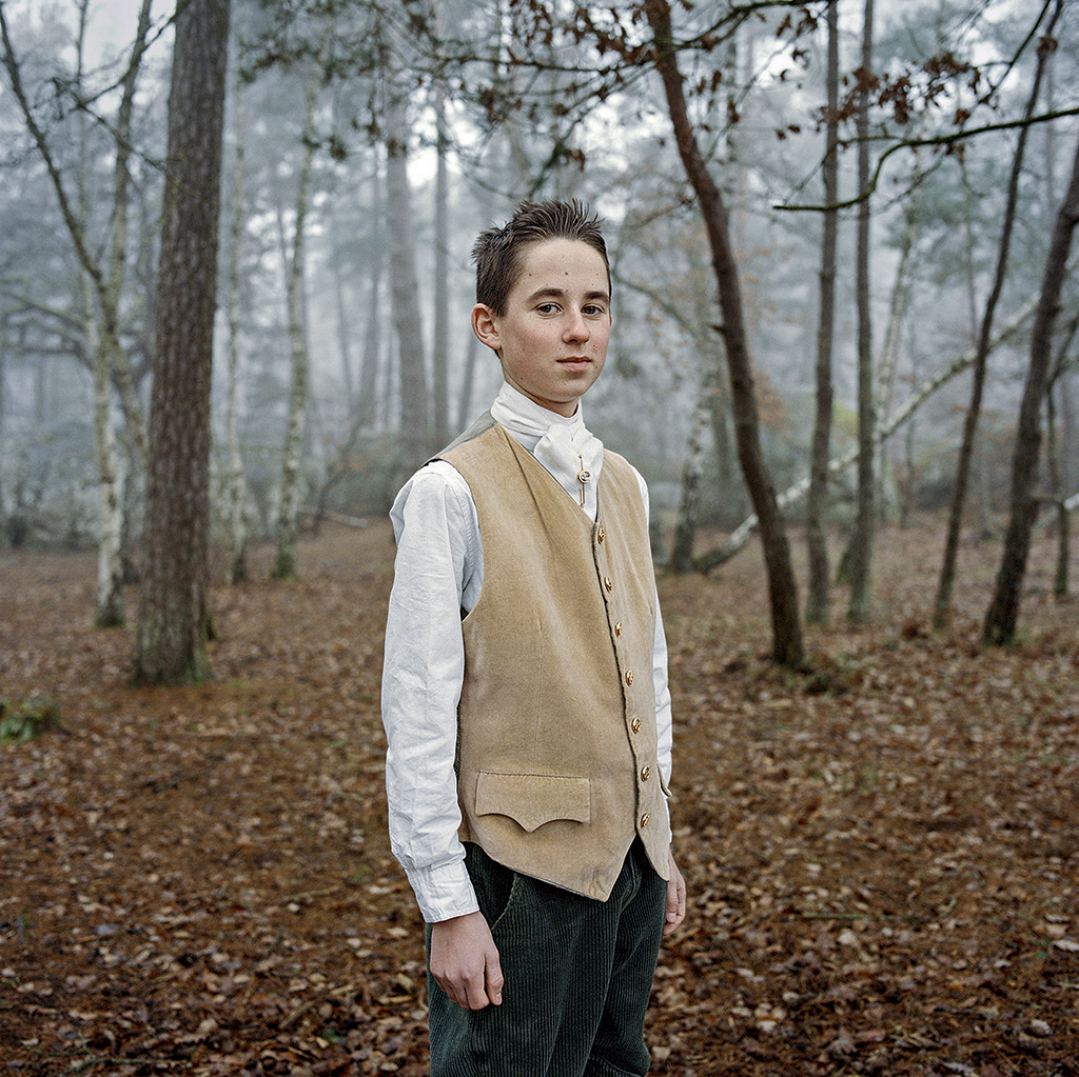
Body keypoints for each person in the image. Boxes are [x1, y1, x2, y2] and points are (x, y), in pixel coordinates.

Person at [381, 199, 686, 1077]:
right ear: (491, 324)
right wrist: (448, 906)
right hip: (514, 882)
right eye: (547, 305)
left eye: (592, 306)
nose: (575, 329)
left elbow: (647, 671)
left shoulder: (623, 483)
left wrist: (656, 841)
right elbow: (418, 712)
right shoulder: (450, 491)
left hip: (627, 872)